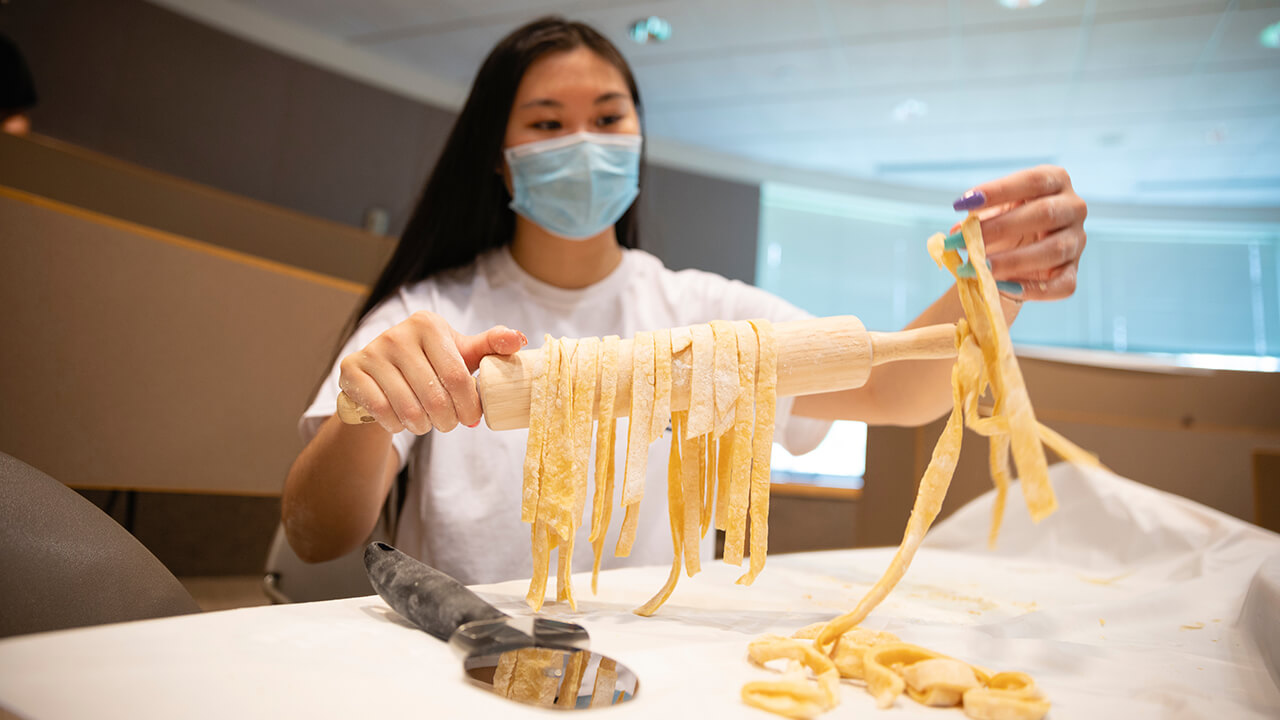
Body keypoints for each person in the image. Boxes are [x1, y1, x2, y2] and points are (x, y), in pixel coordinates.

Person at [283, 17, 1087, 585]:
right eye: (547, 123)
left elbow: (895, 385)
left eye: (607, 118)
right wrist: (367, 407)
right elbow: (318, 537)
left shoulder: (708, 313)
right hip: (466, 659)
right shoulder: (429, 316)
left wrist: (995, 277)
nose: (584, 143)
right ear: (498, 160)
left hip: (661, 668)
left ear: (638, 137)